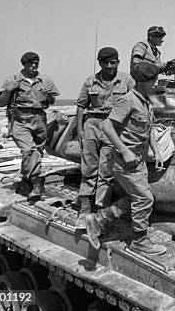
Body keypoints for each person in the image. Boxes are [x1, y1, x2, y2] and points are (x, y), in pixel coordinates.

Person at [85, 61, 166, 255]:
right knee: (145, 199)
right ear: (141, 81)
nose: (156, 83)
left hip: (137, 159)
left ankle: (97, 220)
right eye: (153, 80)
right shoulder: (128, 100)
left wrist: (156, 151)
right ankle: (139, 241)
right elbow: (107, 126)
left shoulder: (146, 101)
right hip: (124, 159)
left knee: (137, 197)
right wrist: (125, 150)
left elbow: (149, 129)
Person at [74, 47, 135, 230]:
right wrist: (80, 130)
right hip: (92, 124)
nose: (110, 66)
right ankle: (84, 208)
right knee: (88, 166)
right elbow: (80, 106)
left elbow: (135, 103)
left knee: (107, 169)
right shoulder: (90, 81)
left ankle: (100, 209)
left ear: (118, 62)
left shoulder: (127, 81)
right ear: (99, 63)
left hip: (114, 125)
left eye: (113, 62)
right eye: (106, 63)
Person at [0, 52, 60, 201]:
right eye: (31, 63)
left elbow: (51, 101)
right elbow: (0, 102)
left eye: (36, 63)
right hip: (19, 119)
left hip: (39, 119)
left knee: (37, 151)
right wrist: (8, 90)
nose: (34, 66)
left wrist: (49, 95)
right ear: (23, 64)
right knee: (29, 151)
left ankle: (25, 182)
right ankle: (37, 183)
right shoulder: (12, 80)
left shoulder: (45, 80)